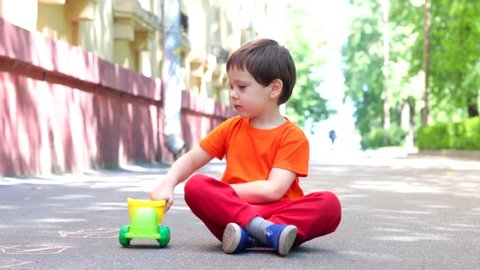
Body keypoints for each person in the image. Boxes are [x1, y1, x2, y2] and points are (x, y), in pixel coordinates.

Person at [150, 38, 341, 256]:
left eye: (242, 86)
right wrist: (168, 183)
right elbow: (192, 159)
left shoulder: (292, 137)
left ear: (274, 88)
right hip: (233, 213)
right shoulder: (231, 127)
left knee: (329, 204)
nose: (233, 93)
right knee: (195, 186)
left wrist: (225, 192)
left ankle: (253, 235)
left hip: (278, 212)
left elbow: (274, 190)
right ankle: (265, 234)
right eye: (231, 86)